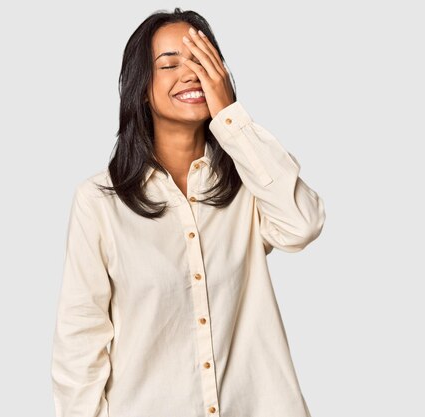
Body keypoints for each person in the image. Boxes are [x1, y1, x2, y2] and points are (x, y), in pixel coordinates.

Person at [51, 7, 326, 417]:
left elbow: (302, 225)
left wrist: (231, 115)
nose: (190, 73)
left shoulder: (250, 182)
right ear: (142, 87)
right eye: (170, 63)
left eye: (201, 59)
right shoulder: (99, 202)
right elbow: (79, 344)